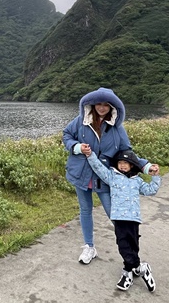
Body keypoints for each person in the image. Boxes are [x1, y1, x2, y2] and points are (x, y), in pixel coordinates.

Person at [62, 88, 159, 265]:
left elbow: (127, 153)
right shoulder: (80, 122)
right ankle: (89, 247)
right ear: (92, 104)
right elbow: (66, 135)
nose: (101, 107)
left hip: (105, 177)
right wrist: (77, 147)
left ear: (112, 107)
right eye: (98, 103)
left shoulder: (117, 129)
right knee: (85, 210)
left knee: (115, 214)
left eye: (106, 104)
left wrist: (145, 167)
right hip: (81, 174)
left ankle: (130, 251)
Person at [82, 146, 160, 291]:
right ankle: (137, 269)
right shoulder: (112, 176)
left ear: (132, 165)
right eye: (120, 163)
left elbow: (151, 190)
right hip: (119, 218)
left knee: (133, 245)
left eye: (126, 163)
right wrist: (90, 155)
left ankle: (131, 271)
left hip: (134, 219)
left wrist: (155, 176)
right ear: (116, 164)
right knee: (123, 245)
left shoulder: (137, 181)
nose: (122, 165)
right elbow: (99, 169)